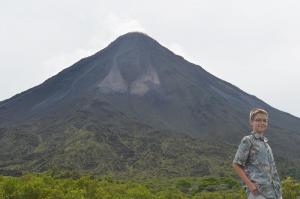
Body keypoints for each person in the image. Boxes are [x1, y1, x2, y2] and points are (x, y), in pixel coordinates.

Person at [232, 108, 282, 199]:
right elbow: (236, 165)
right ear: (251, 122)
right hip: (259, 193)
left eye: (264, 121)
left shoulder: (266, 144)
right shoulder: (248, 140)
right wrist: (251, 186)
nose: (261, 123)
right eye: (258, 120)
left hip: (274, 193)